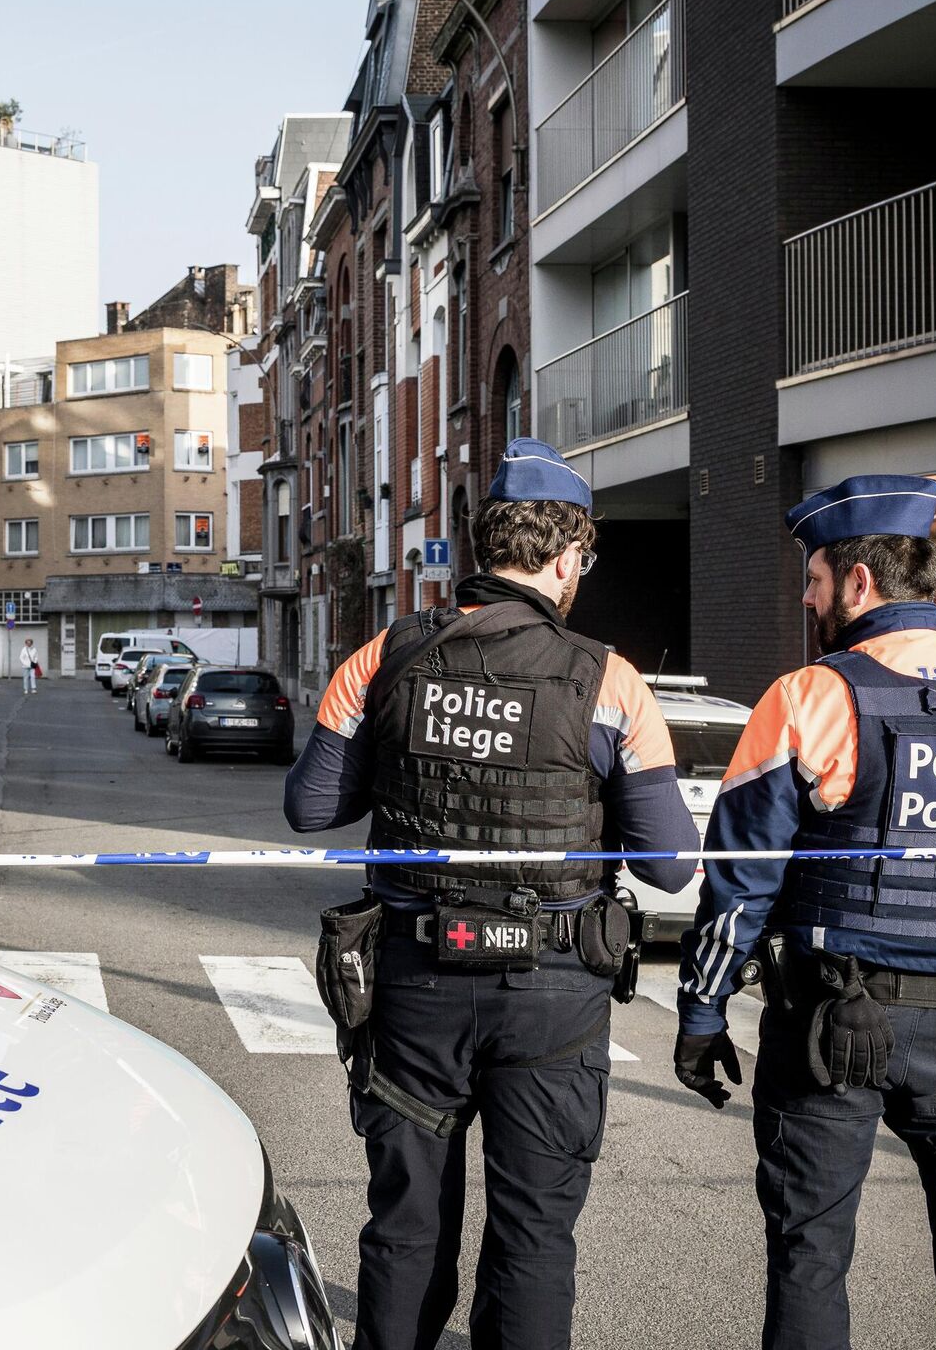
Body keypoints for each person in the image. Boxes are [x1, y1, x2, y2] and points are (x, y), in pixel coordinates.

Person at [286, 437, 701, 1350]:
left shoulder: (384, 656)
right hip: (553, 996)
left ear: (486, 546)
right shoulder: (610, 680)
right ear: (567, 558)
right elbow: (672, 865)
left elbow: (311, 806)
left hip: (415, 986)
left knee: (405, 1229)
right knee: (534, 1236)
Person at [672, 474, 936, 1350]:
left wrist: (702, 1011)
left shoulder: (809, 696)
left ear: (859, 581)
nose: (807, 596)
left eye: (815, 578)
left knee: (811, 1251)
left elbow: (740, 878)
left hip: (832, 1021)